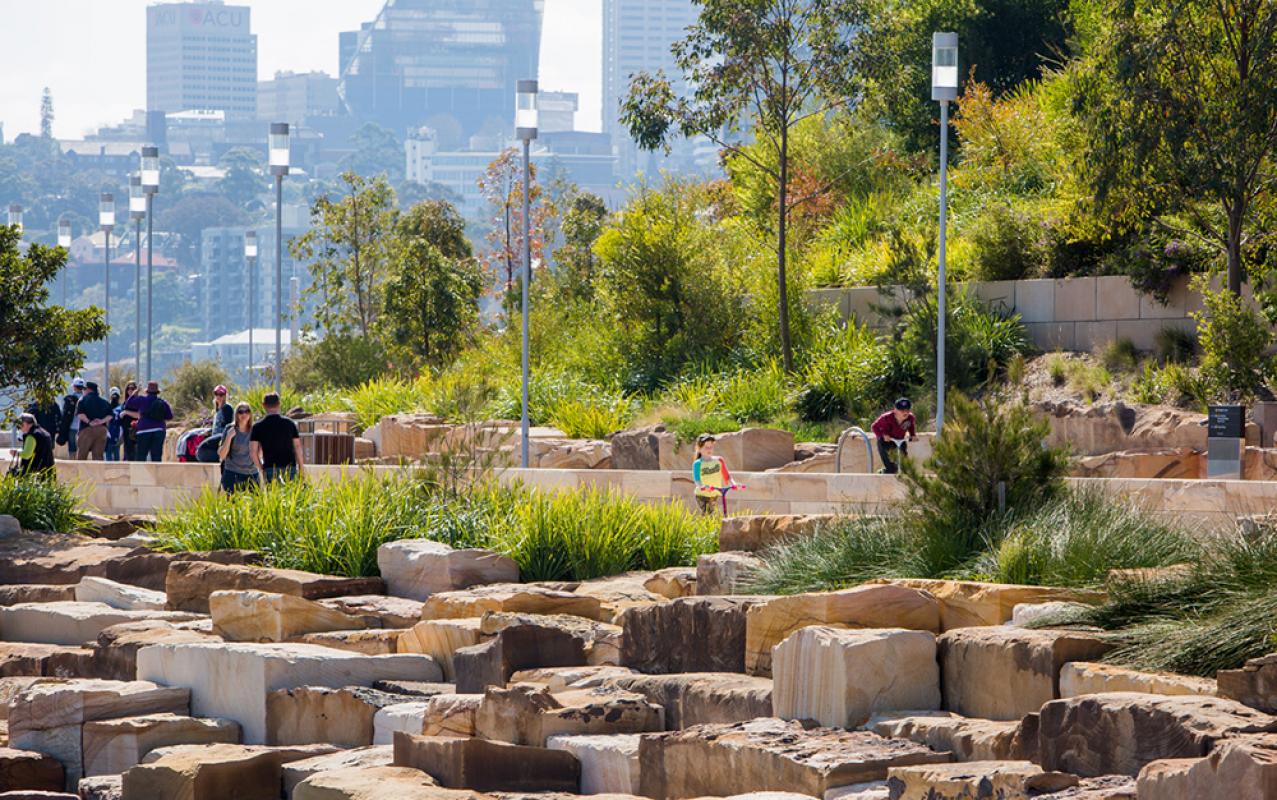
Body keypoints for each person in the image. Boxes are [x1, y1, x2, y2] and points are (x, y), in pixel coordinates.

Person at [250, 392, 304, 484]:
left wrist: (261, 468)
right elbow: (297, 447)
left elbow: (253, 452)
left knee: (273, 493)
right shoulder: (290, 424)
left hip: (270, 467)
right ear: (279, 404)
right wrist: (301, 468)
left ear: (264, 405)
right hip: (290, 467)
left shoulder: (257, 426)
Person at [122, 381, 173, 462]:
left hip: (143, 431)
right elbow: (170, 416)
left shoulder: (142, 400)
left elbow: (128, 403)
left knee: (141, 456)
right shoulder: (163, 402)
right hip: (159, 430)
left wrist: (136, 392)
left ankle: (140, 470)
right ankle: (156, 470)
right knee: (156, 457)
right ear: (157, 392)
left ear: (147, 391)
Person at [217, 402, 260, 492]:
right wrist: (229, 437)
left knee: (254, 501)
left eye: (247, 411)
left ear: (250, 414)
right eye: (241, 412)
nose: (244, 414)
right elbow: (222, 455)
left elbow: (259, 454)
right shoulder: (230, 429)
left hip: (252, 474)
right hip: (232, 474)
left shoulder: (255, 430)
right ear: (236, 414)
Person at [871, 397, 918, 475]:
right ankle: (882, 472)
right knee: (891, 469)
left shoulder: (910, 418)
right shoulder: (886, 417)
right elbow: (874, 426)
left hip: (900, 441)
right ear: (895, 410)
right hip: (886, 443)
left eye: (907, 410)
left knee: (904, 466)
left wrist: (913, 435)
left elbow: (911, 426)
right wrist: (882, 435)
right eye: (902, 410)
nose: (905, 413)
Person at [692, 434, 733, 515]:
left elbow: (727, 476)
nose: (709, 449)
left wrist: (734, 484)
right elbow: (697, 480)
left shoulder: (719, 460)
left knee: (713, 514)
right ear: (699, 449)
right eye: (706, 447)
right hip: (702, 495)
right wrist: (702, 486)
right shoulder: (698, 463)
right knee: (708, 514)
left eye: (711, 447)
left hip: (714, 494)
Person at [73, 381, 113, 461]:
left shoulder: (82, 400)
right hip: (101, 430)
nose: (83, 391)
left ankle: (81, 470)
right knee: (98, 456)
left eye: (84, 389)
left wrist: (89, 422)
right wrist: (101, 421)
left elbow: (80, 415)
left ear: (88, 389)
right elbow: (110, 415)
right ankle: (98, 469)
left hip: (86, 429)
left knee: (82, 455)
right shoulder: (104, 401)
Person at [9, 413, 54, 478]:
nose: (19, 428)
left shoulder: (31, 436)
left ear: (26, 423)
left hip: (34, 475)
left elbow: (27, 454)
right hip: (48, 472)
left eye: (20, 424)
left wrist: (15, 452)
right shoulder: (45, 433)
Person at [56, 378, 86, 458]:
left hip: (72, 426)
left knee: (72, 446)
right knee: (83, 446)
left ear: (74, 387)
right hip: (84, 427)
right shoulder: (86, 399)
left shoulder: (69, 399)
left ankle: (72, 461)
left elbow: (64, 414)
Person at [119, 382, 139, 462]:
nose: (130, 390)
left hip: (134, 431)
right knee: (127, 453)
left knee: (133, 455)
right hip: (126, 431)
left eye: (132, 388)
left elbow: (139, 415)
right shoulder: (125, 402)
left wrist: (126, 412)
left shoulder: (138, 401)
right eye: (128, 388)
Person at [104, 387, 123, 462]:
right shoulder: (106, 406)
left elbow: (122, 424)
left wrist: (121, 437)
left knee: (115, 456)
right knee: (108, 456)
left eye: (116, 396)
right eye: (113, 396)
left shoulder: (121, 408)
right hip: (108, 434)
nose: (114, 398)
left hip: (116, 434)